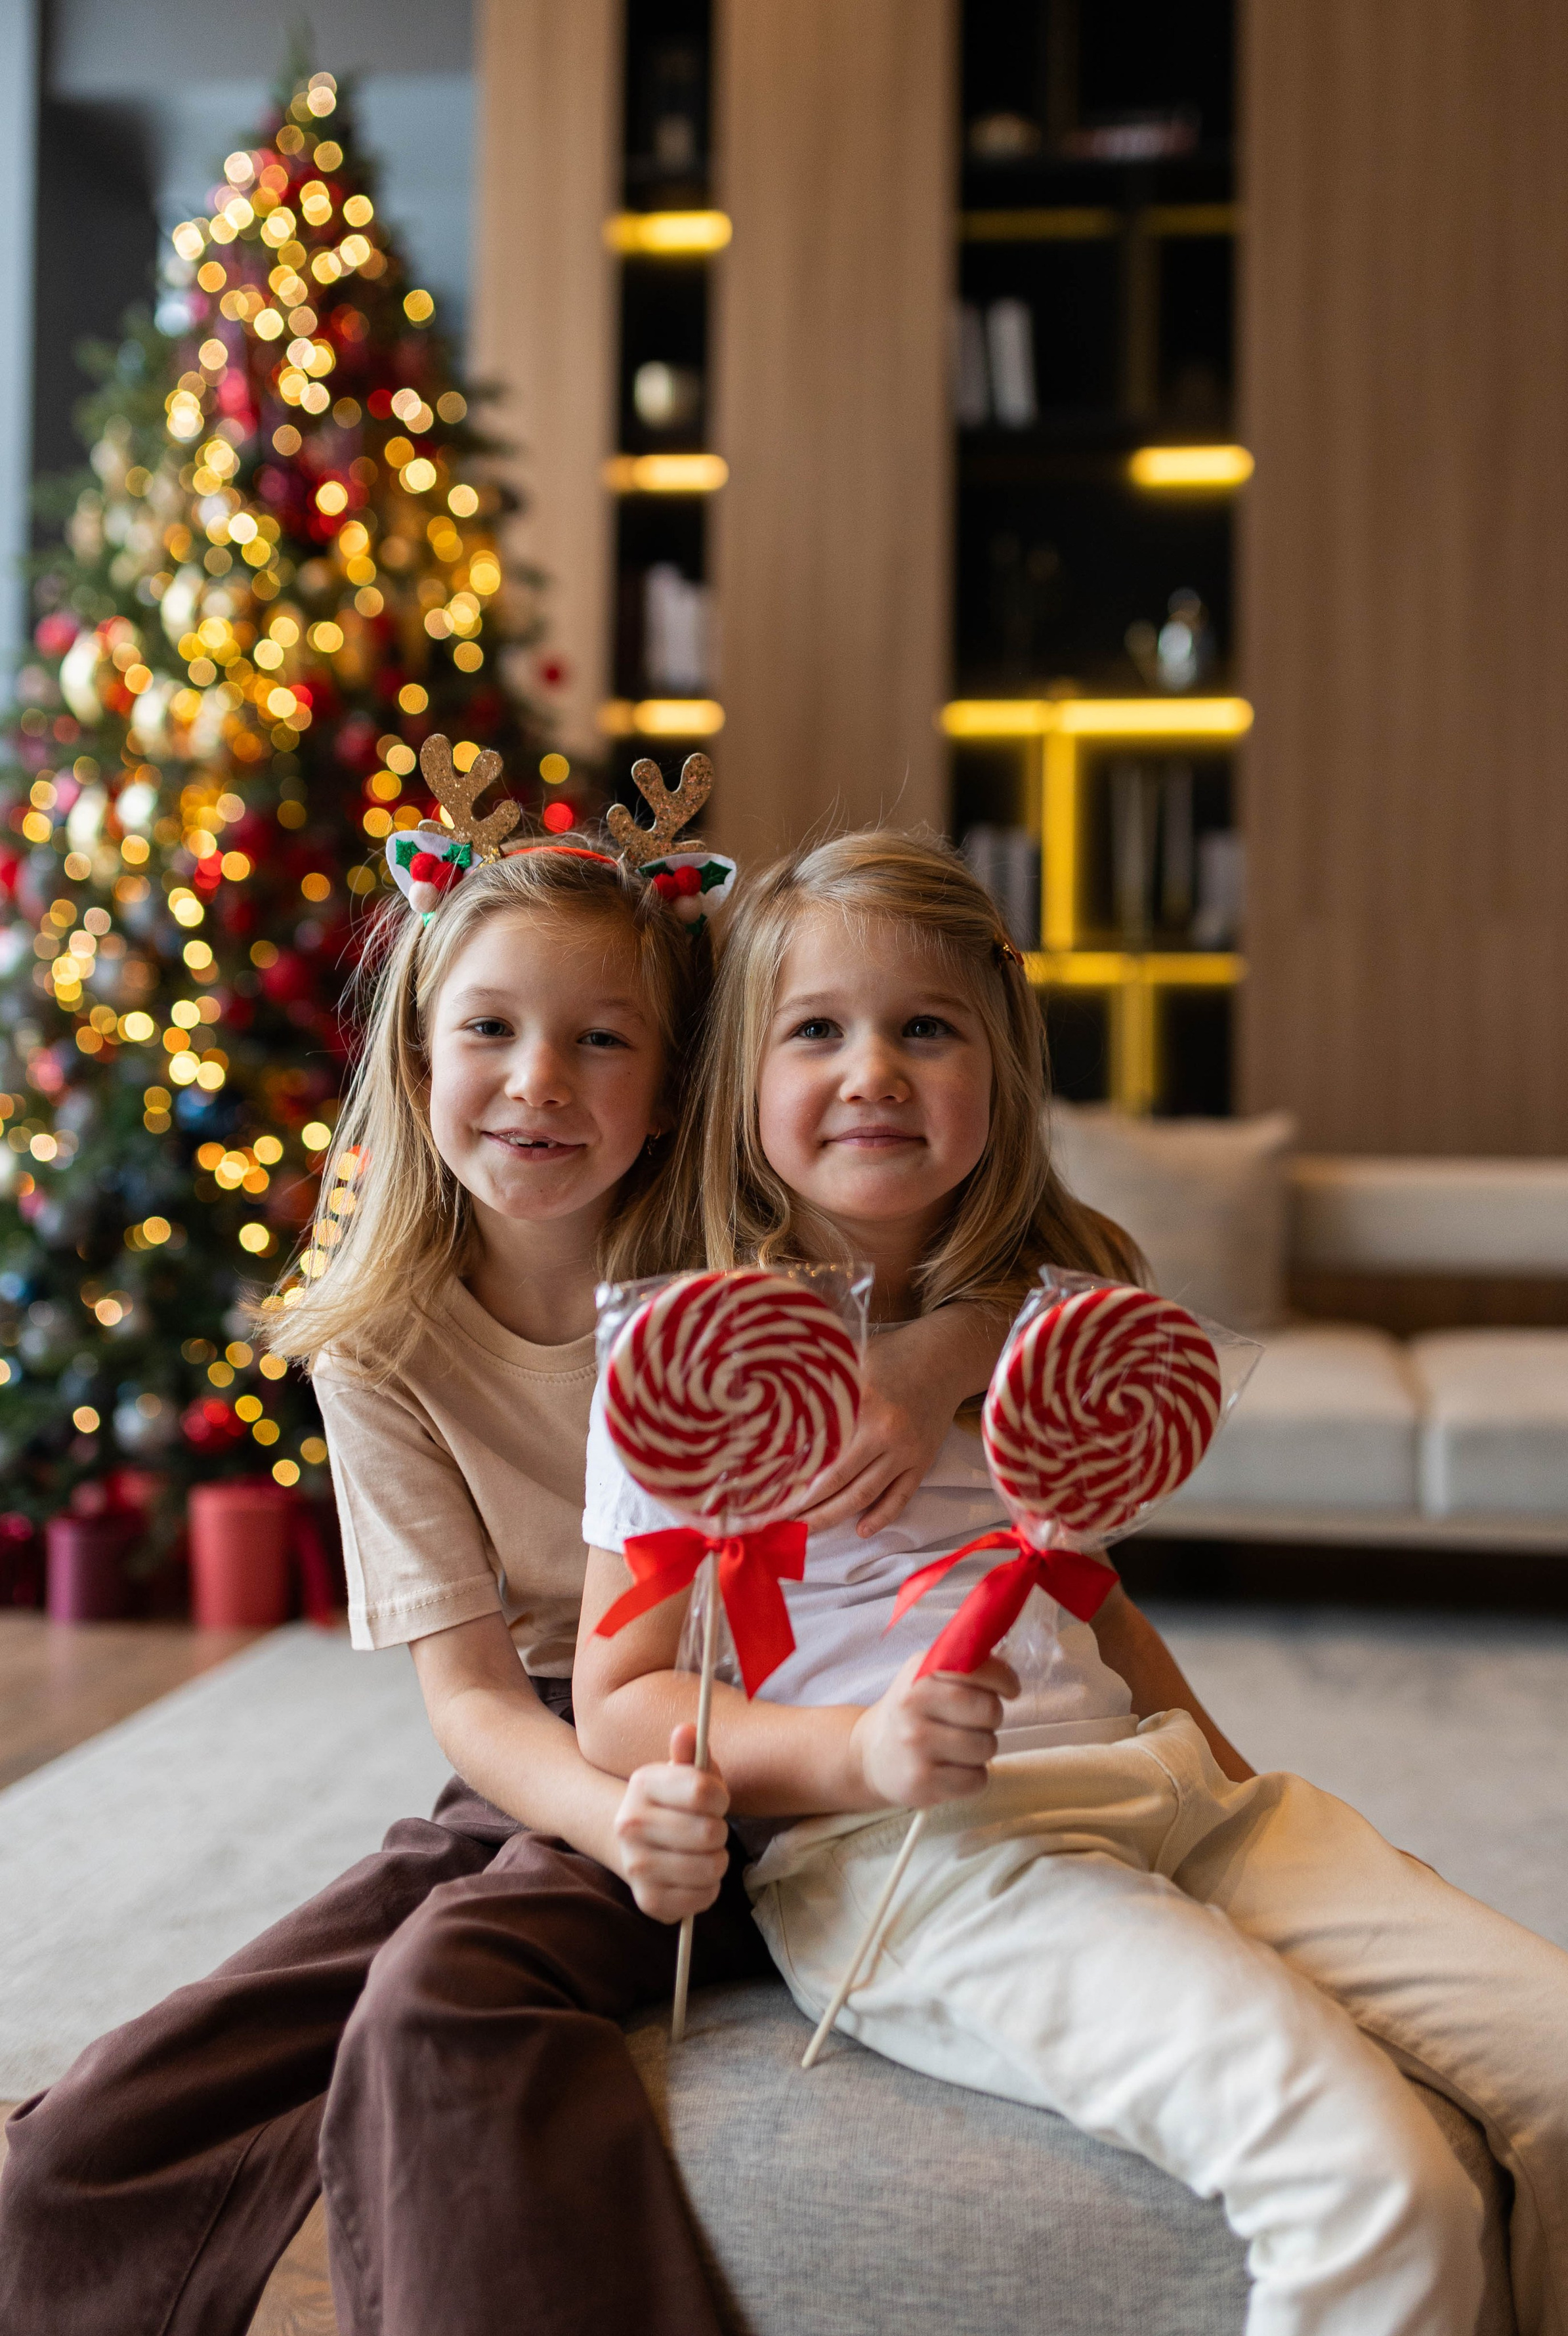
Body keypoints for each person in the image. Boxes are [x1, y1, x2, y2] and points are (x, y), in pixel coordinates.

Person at [574, 829, 1568, 2336]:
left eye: (927, 1027)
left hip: (1169, 1797)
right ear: (735, 1081)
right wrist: (853, 1750)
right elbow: (619, 1698)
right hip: (924, 1850)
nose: (874, 1069)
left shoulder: (1056, 1319)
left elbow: (1082, 1602)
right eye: (814, 1028)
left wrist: (1230, 1783)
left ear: (1003, 1068)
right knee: (1376, 2189)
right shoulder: (689, 1359)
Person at [0, 820, 1004, 2336]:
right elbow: (470, 1694)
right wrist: (607, 1815)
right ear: (414, 1064)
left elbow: (1029, 1272)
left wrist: (924, 1364)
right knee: (89, 2145)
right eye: (488, 1029)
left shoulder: (749, 1250)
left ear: (670, 1091)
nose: (537, 1080)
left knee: (446, 1992)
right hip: (547, 1750)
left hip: (743, 1714)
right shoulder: (377, 1340)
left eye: (599, 1039)